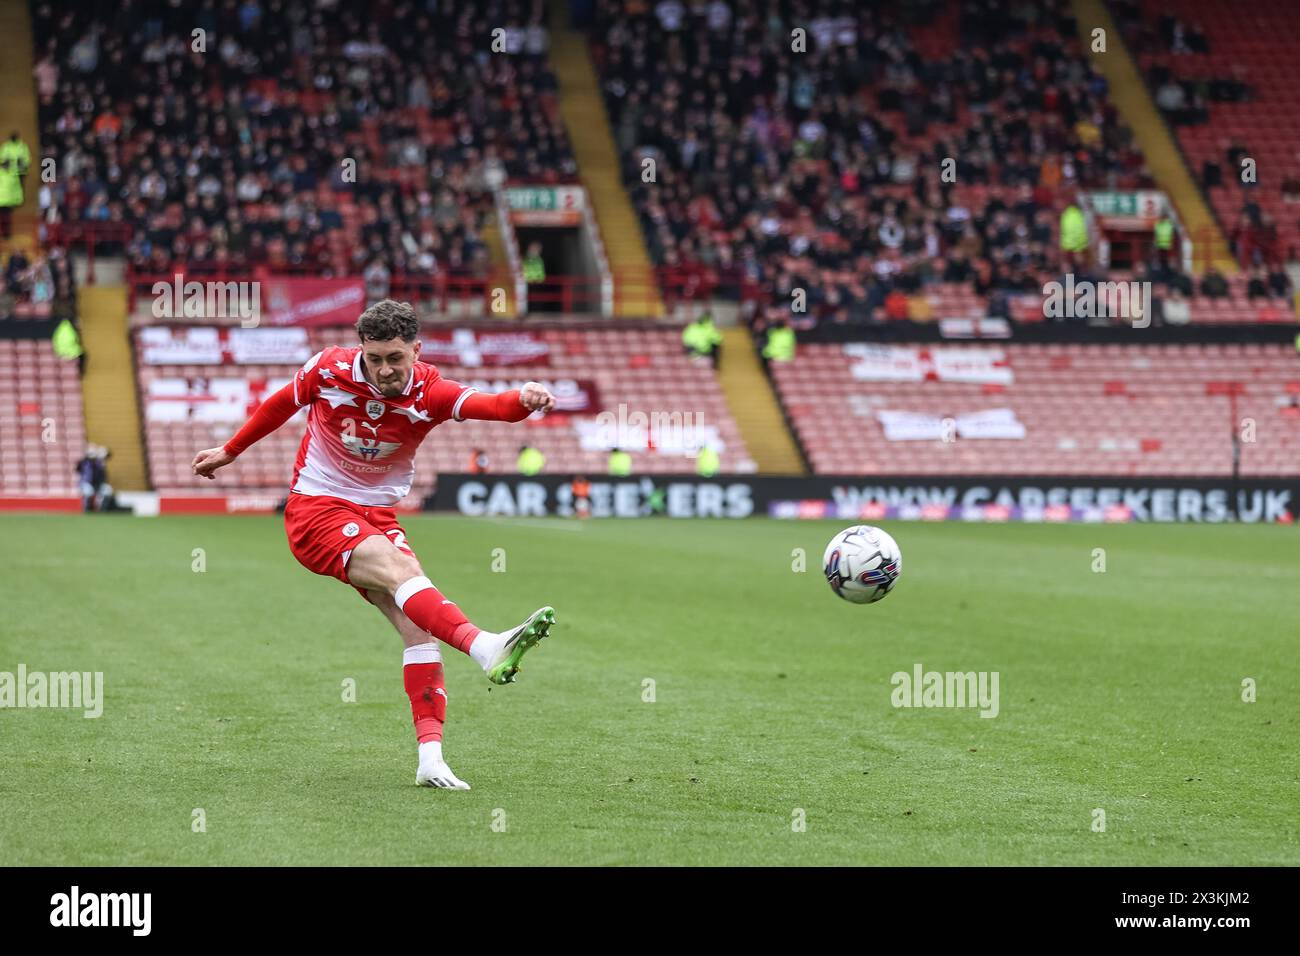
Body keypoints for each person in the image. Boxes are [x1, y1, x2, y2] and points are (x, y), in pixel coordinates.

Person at [190, 299, 559, 790]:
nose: (384, 368)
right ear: (361, 349)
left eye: (395, 358)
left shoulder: (430, 391)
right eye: (375, 357)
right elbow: (282, 402)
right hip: (316, 509)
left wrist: (526, 398)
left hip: (376, 516)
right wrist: (230, 450)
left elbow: (492, 406)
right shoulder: (329, 369)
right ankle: (485, 646)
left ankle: (431, 759)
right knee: (405, 576)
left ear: (416, 351)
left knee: (419, 631)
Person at [0, 132, 30, 241]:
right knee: (5, 218)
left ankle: (6, 234)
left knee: (6, 218)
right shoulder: (6, 147)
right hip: (5, 200)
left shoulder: (22, 147)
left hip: (6, 200)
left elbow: (25, 161)